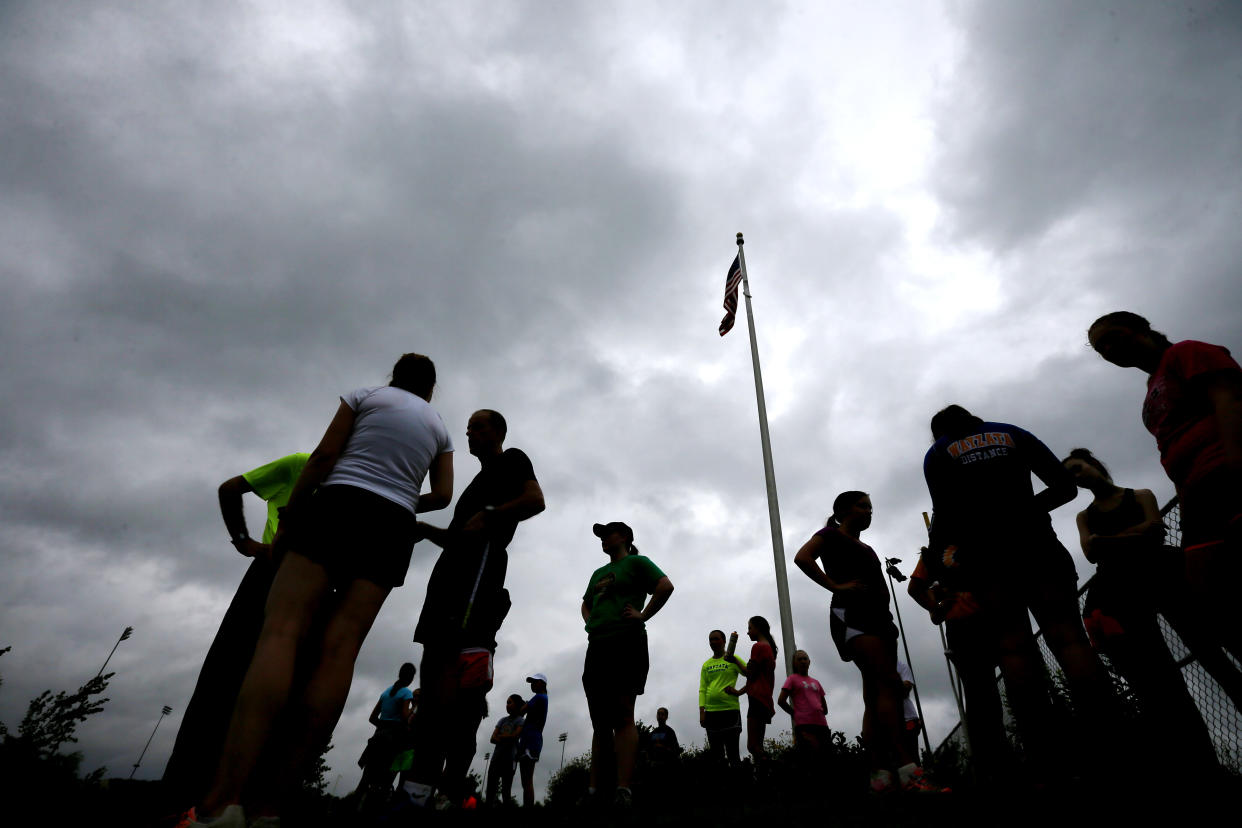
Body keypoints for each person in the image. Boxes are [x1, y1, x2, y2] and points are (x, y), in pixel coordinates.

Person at [193, 353, 454, 827]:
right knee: (340, 652)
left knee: (281, 634)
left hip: (338, 504)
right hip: (393, 524)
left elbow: (324, 456)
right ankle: (270, 809)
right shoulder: (439, 427)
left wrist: (293, 517)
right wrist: (396, 497)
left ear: (393, 376)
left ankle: (222, 803)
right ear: (431, 389)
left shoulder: (365, 396)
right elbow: (443, 496)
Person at [921, 404, 1115, 782]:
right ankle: (1109, 734)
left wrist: (943, 562)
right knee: (1071, 640)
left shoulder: (938, 452)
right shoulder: (1014, 433)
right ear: (972, 417)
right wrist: (1025, 511)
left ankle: (1043, 754)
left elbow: (943, 515)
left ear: (939, 430)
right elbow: (1064, 486)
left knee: (1013, 649)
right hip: (1040, 548)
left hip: (988, 562)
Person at [404, 409, 545, 809]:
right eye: (467, 427)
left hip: (479, 578)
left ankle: (450, 790)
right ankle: (418, 791)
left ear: (498, 431)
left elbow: (536, 500)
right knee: (433, 679)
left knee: (464, 692)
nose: (469, 431)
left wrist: (494, 515)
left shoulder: (512, 459)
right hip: (447, 579)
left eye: (478, 426)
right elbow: (457, 536)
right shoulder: (472, 487)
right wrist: (426, 529)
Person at [164, 452, 309, 810]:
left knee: (285, 697)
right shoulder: (302, 463)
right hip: (270, 573)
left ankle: (247, 803)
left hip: (315, 588)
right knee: (223, 678)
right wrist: (244, 541)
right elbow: (231, 488)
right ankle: (182, 799)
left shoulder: (359, 481)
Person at [1063, 448, 1220, 769]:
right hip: (1119, 593)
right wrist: (1131, 536)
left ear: (1093, 463)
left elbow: (1155, 531)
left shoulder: (1140, 495)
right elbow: (1092, 552)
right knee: (1158, 682)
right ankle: (1199, 763)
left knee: (1208, 648)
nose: (1077, 478)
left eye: (1078, 469)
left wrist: (1107, 540)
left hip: (1162, 576)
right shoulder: (1085, 516)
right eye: (1072, 476)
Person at [1087, 312, 1242, 633]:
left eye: (1113, 337)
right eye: (1100, 348)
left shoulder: (1186, 352)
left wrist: (1236, 466)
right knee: (1210, 597)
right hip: (1198, 498)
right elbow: (1171, 452)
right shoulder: (1151, 386)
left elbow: (1229, 399)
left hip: (1227, 479)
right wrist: (1186, 506)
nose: (1108, 350)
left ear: (1142, 329)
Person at [794, 491, 937, 793]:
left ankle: (880, 775)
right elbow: (802, 557)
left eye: (871, 507)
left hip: (880, 621)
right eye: (863, 506)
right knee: (889, 686)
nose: (869, 512)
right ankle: (908, 769)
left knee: (874, 695)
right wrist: (834, 585)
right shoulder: (829, 535)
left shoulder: (867, 547)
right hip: (854, 617)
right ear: (844, 510)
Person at [581, 521, 675, 809]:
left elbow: (665, 586)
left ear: (623, 536)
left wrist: (643, 615)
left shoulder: (637, 562)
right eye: (601, 536)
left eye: (607, 534)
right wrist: (593, 621)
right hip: (598, 645)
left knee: (622, 715)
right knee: (600, 722)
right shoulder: (598, 573)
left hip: (627, 642)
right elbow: (585, 604)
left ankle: (623, 789)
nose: (603, 540)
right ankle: (595, 790)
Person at [358, 663, 417, 804]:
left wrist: (384, 726)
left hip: (377, 738)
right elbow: (405, 717)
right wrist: (413, 708)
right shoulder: (407, 693)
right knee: (385, 780)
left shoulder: (385, 692)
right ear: (411, 678)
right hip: (393, 741)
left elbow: (372, 718)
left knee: (365, 779)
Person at [726, 617, 777, 762]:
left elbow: (750, 673)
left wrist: (734, 660)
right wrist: (737, 692)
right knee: (758, 746)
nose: (748, 632)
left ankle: (771, 770)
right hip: (764, 699)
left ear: (758, 628)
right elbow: (755, 679)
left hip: (757, 700)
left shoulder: (758, 647)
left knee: (753, 746)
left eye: (750, 628)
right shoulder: (769, 648)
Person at [699, 629, 746, 766]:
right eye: (711, 639)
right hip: (711, 713)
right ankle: (721, 786)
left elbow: (752, 676)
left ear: (725, 641)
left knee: (733, 755)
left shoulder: (733, 660)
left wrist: (739, 692)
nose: (713, 642)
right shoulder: (706, 665)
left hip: (730, 711)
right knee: (716, 757)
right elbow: (702, 689)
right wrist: (702, 712)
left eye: (716, 639)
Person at [777, 650, 830, 753]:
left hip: (822, 725)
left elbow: (824, 706)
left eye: (805, 659)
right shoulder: (792, 679)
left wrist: (821, 712)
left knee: (825, 758)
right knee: (808, 758)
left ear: (809, 662)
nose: (803, 661)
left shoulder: (816, 682)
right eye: (799, 659)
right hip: (804, 725)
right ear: (794, 663)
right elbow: (781, 701)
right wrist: (794, 713)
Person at [484, 694, 525, 807]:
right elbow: (492, 738)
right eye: (506, 702)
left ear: (516, 704)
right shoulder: (502, 720)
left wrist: (501, 736)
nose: (507, 705)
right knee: (490, 790)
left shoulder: (521, 720)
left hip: (510, 760)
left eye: (509, 702)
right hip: (496, 759)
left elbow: (515, 736)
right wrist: (506, 737)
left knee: (506, 792)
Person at [516, 673, 549, 807]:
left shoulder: (539, 697)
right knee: (525, 781)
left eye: (535, 682)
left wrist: (521, 704)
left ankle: (528, 813)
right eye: (531, 682)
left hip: (531, 740)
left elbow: (521, 712)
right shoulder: (539, 698)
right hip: (528, 740)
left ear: (542, 683)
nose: (532, 684)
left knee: (527, 780)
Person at [895, 661, 920, 764]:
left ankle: (917, 778)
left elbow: (906, 689)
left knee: (911, 760)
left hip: (907, 720)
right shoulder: (874, 666)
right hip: (887, 721)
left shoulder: (901, 666)